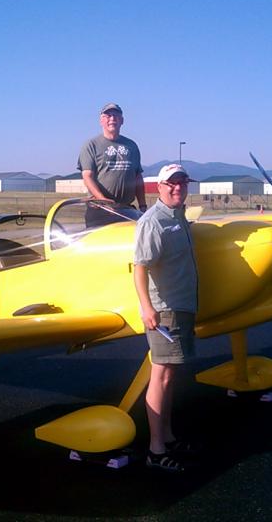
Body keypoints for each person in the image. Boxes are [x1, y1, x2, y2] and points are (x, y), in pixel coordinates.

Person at [133, 163, 198, 472]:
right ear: (158, 187)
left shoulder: (179, 216)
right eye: (171, 183)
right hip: (164, 309)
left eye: (182, 182)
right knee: (160, 375)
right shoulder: (153, 222)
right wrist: (147, 308)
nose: (177, 188)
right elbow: (140, 268)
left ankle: (167, 437)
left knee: (170, 375)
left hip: (182, 306)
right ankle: (155, 450)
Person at [77, 103, 147, 227]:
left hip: (126, 211)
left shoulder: (131, 146)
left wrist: (142, 205)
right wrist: (102, 200)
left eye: (116, 115)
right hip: (99, 210)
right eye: (108, 115)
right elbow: (87, 176)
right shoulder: (91, 145)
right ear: (101, 121)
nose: (112, 119)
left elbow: (137, 177)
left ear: (122, 120)